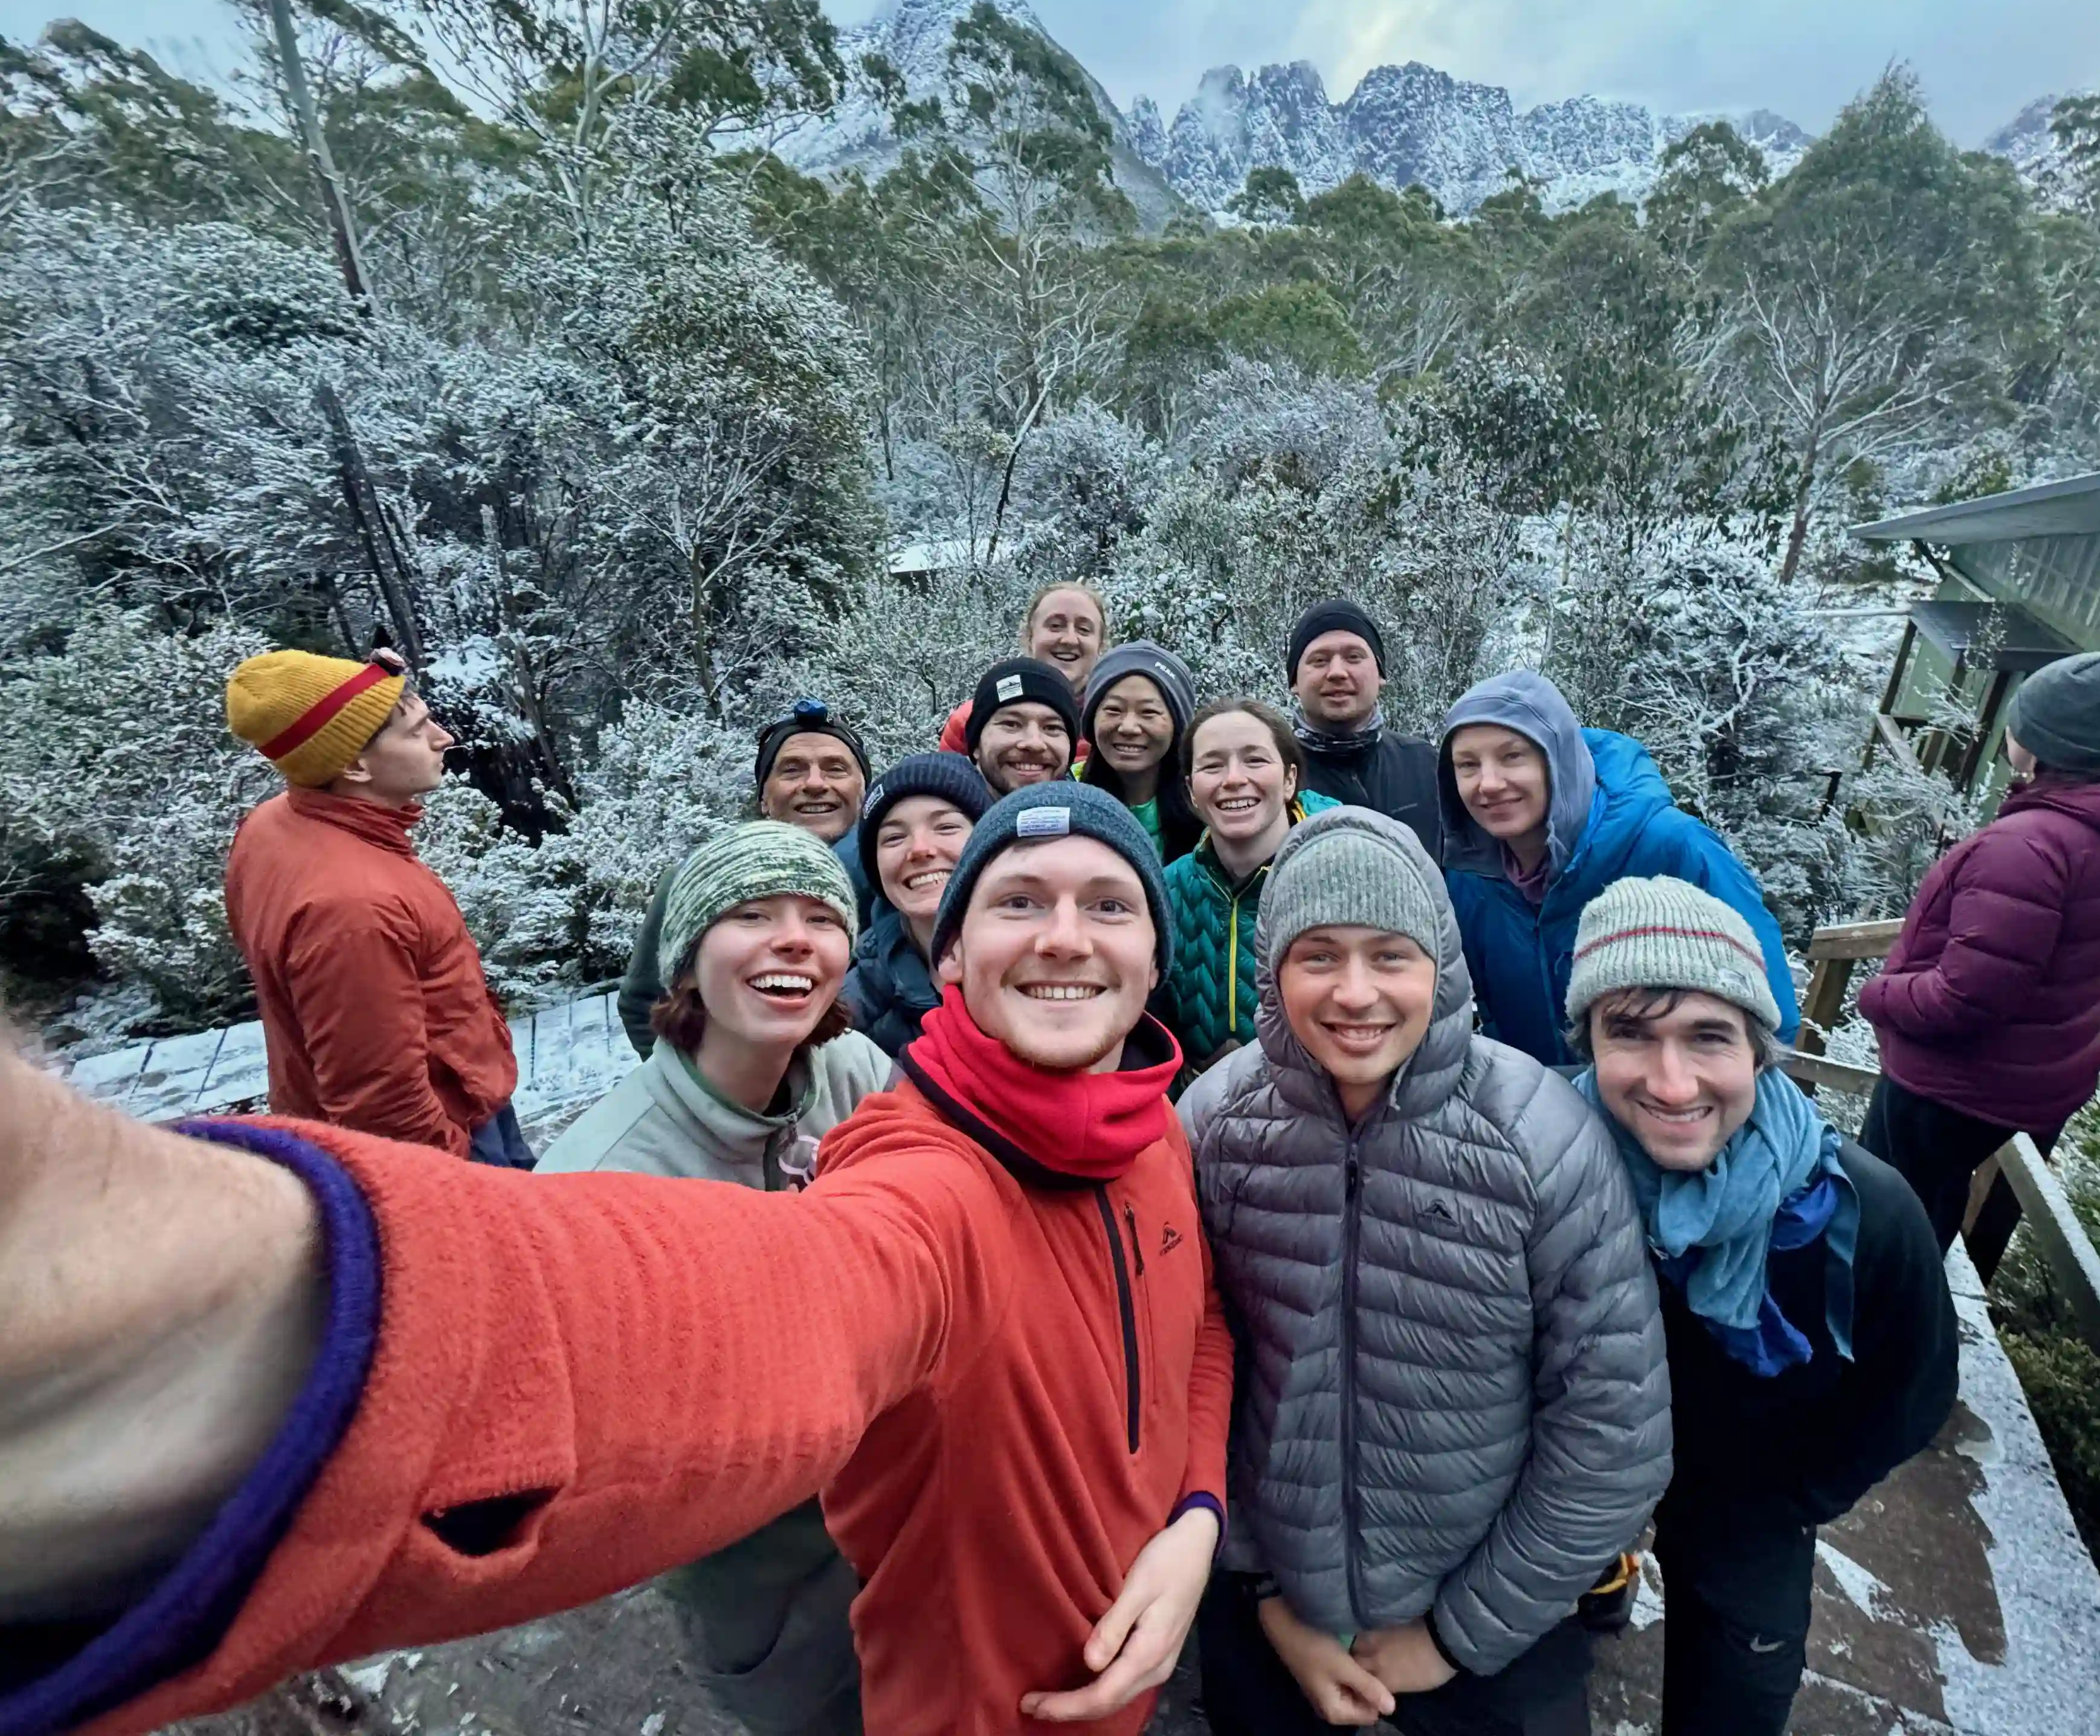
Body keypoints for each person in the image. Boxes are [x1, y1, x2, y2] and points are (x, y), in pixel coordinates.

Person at [0, 781, 1233, 1736]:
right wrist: (190, 1322)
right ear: (949, 956)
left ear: (1148, 954)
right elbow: (743, 1312)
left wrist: (1190, 1517)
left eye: (1106, 903)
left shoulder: (1150, 1130)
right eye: (1018, 901)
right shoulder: (923, 1184)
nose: (1066, 936)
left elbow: (1198, 1331)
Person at [1180, 807, 1670, 1736]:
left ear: (1441, 967)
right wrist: (1264, 1593)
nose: (1356, 993)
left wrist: (1455, 1636)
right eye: (1318, 956)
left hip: (1494, 1605)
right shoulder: (1214, 1127)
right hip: (1272, 1596)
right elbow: (1184, 1376)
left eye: (1390, 956)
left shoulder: (1537, 1138)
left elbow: (1612, 1425)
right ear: (1272, 968)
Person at [1565, 876, 1959, 1736]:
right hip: (1572, 1469)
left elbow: (1913, 1386)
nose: (1673, 1084)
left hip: (1750, 1493)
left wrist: (1798, 1494)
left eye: (1708, 1037)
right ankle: (1597, 1590)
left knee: (1736, 1698)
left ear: (1759, 1049)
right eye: (1629, 1032)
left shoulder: (1861, 1210)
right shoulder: (1542, 1163)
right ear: (1586, 1042)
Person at [542, 823, 890, 1736]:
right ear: (687, 961)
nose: (792, 938)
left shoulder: (853, 1072)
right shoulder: (598, 1185)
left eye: (821, 917)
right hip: (763, 1573)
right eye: (752, 914)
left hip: (898, 1519)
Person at [1858, 649, 2100, 1275]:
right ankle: (1908, 1326)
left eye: (2021, 720)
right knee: (1931, 1211)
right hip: (2036, 1076)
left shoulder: (2028, 848)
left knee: (1884, 1226)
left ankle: (1874, 1347)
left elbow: (1968, 997)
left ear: (2044, 743)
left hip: (1955, 1085)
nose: (2011, 731)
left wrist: (1879, 997)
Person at [222, 648, 525, 1167]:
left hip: (463, 1097)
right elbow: (382, 1105)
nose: (443, 738)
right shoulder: (352, 909)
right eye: (415, 730)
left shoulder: (275, 826)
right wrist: (464, 1186)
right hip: (451, 1139)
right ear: (354, 766)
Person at [1438, 670, 1798, 1070]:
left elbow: (1770, 1012)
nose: (1488, 783)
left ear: (1558, 760)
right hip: (1540, 1116)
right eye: (1468, 765)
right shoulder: (1469, 879)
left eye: (1513, 756)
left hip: (1669, 1107)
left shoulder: (1672, 847)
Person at [619, 699, 873, 1056]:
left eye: (835, 769)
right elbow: (644, 1001)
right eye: (792, 770)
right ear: (764, 799)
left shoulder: (900, 876)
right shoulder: (699, 879)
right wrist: (699, 1095)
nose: (815, 784)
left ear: (864, 793)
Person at [1159, 700, 1338, 1074]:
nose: (1233, 779)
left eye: (1255, 760)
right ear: (1192, 790)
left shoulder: (1341, 875)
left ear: (1289, 780)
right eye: (1212, 765)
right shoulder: (1167, 890)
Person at [842, 752, 994, 1057]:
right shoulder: (853, 1001)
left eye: (946, 828)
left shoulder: (1046, 959)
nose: (920, 850)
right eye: (895, 838)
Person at [1283, 599, 1443, 860]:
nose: (1337, 672)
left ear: (1380, 674)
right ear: (1294, 682)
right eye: (1320, 660)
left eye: (1353, 657)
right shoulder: (1272, 776)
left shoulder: (1425, 763)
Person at [938, 582, 1107, 754]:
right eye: (1055, 626)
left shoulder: (1114, 725)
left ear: (1101, 644)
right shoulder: (970, 721)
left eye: (1084, 630)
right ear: (1029, 636)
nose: (1069, 640)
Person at [1079, 643, 1199, 861]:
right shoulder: (1066, 796)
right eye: (1114, 710)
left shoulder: (1205, 806)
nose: (1128, 727)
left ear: (1177, 726)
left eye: (1149, 712)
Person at [964, 657, 1081, 796]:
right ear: (977, 743)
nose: (1034, 743)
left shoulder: (1091, 816)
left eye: (1052, 728)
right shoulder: (938, 815)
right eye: (1011, 724)